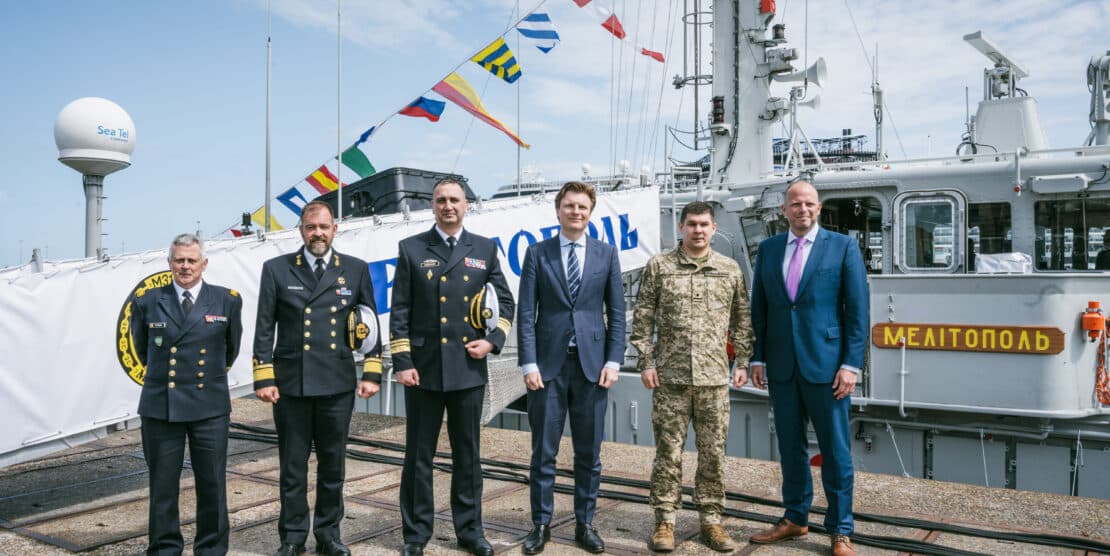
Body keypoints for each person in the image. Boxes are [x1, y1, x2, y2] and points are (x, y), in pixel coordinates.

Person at [389, 179, 515, 556]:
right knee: (418, 457)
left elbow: (505, 303)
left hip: (467, 368)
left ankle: (471, 531)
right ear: (433, 205)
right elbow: (400, 311)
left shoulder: (484, 249)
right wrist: (403, 361)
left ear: (466, 205)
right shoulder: (411, 248)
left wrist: (493, 341)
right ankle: (415, 534)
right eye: (441, 200)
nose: (448, 206)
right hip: (423, 369)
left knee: (468, 456)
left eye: (455, 200)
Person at [252, 200, 383, 556]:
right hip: (291, 385)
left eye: (324, 227)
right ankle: (293, 537)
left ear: (335, 229)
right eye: (311, 227)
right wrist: (264, 377)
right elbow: (264, 327)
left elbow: (370, 323)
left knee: (333, 466)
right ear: (301, 230)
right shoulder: (277, 269)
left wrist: (372, 372)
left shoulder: (354, 269)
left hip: (336, 384)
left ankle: (328, 535)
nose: (318, 233)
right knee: (292, 468)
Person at [747, 180, 868, 556]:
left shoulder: (842, 246)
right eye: (795, 204)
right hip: (782, 365)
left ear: (819, 208)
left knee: (835, 450)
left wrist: (851, 365)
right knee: (790, 446)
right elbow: (760, 308)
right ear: (784, 210)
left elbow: (857, 311)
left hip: (828, 367)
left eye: (809, 204)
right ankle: (796, 517)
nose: (803, 209)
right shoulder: (768, 249)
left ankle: (841, 529)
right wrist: (757, 356)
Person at [629, 202, 752, 553]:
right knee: (668, 453)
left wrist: (742, 361)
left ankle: (711, 520)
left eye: (704, 225)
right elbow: (643, 318)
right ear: (681, 227)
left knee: (713, 454)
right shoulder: (660, 266)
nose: (698, 230)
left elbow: (742, 319)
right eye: (692, 224)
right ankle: (665, 520)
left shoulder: (729, 269)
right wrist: (646, 362)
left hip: (714, 378)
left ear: (714, 229)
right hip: (671, 379)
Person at [517, 181, 626, 554]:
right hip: (547, 368)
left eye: (582, 206)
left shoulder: (606, 254)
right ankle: (540, 525)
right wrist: (528, 362)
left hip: (592, 369)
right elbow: (526, 313)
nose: (575, 212)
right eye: (569, 205)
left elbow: (617, 312)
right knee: (543, 452)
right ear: (558, 210)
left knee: (588, 454)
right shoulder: (537, 253)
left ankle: (585, 523)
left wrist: (614, 360)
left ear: (590, 212)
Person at [130, 233, 243, 555]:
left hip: (209, 406)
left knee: (212, 484)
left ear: (204, 264)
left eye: (191, 260)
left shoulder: (226, 300)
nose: (185, 266)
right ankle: (165, 548)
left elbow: (230, 350)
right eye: (179, 260)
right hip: (161, 406)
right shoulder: (148, 300)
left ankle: (211, 549)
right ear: (169, 263)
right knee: (163, 485)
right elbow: (141, 350)